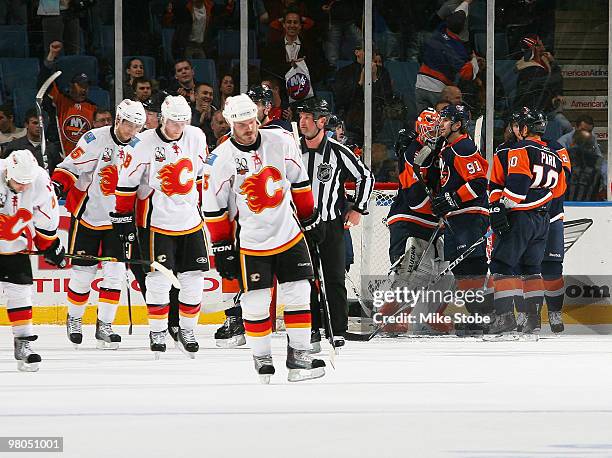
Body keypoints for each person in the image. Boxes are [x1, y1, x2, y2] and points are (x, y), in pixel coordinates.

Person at [203, 93, 326, 383]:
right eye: (242, 124)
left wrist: (310, 218)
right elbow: (213, 206)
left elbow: (299, 181)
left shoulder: (281, 141)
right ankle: (262, 357)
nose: (249, 128)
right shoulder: (220, 159)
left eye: (252, 122)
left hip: (289, 233)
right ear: (231, 123)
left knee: (298, 295)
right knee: (256, 301)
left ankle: (299, 357)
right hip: (251, 242)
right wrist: (222, 248)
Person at [113, 95, 209, 357]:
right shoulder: (142, 142)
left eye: (182, 122)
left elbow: (202, 175)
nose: (178, 128)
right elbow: (126, 181)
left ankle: (187, 329)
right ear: (162, 119)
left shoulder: (197, 136)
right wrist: (122, 217)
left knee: (194, 279)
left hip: (191, 220)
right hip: (157, 222)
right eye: (173, 123)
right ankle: (157, 330)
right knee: (158, 280)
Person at [51, 99, 146, 349]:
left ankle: (105, 325)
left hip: (120, 222)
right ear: (118, 120)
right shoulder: (94, 139)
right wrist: (58, 183)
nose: (132, 131)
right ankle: (75, 318)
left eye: (138, 126)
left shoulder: (141, 145)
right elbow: (69, 167)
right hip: (89, 217)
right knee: (83, 274)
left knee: (114, 275)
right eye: (128, 125)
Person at [296, 97, 374, 350]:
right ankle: (310, 329)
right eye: (301, 117)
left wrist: (358, 209)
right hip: (300, 227)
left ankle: (337, 329)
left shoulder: (338, 151)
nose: (303, 122)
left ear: (322, 121)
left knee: (334, 278)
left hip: (330, 225)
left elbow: (365, 176)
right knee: (304, 279)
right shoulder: (292, 151)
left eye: (308, 117)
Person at [488, 107, 566, 336]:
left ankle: (504, 318)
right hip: (543, 219)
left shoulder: (521, 148)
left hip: (520, 217)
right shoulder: (553, 155)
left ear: (523, 128)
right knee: (532, 269)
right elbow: (558, 189)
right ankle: (532, 319)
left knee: (502, 265)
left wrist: (500, 207)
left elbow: (517, 188)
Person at [0, 149, 66, 371]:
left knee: (20, 289)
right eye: (19, 182)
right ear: (7, 170)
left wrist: (50, 244)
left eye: (26, 182)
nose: (23, 187)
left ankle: (24, 342)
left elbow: (47, 215)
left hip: (14, 245)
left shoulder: (39, 180)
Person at [429, 105, 492, 334]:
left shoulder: (463, 146)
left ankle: (486, 317)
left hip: (471, 216)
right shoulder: (447, 147)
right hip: (457, 218)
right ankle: (478, 316)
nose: (441, 124)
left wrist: (453, 198)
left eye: (445, 120)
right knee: (462, 270)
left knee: (473, 267)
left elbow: (477, 183)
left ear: (457, 125)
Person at [414, 10, 481, 113]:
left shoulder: (439, 31)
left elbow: (454, 19)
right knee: (442, 123)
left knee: (424, 123)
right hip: (437, 88)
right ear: (463, 28)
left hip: (420, 84)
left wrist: (465, 3)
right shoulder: (458, 48)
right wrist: (474, 60)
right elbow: (467, 74)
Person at [40, 41, 97, 157]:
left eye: (86, 86)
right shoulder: (60, 100)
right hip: (59, 156)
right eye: (80, 85)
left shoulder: (93, 108)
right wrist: (51, 55)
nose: (84, 89)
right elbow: (44, 83)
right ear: (71, 86)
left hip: (84, 158)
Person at [334, 43, 393, 145]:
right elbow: (341, 99)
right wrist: (360, 82)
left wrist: (374, 78)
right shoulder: (344, 72)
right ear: (357, 52)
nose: (370, 54)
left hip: (375, 124)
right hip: (351, 123)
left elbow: (386, 98)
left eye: (372, 52)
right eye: (367, 51)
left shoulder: (383, 72)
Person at [1, 109, 62, 174]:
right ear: (26, 125)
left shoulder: (52, 148)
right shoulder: (15, 146)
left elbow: (57, 172)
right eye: (35, 123)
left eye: (41, 123)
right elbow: (4, 169)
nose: (38, 126)